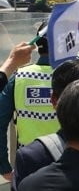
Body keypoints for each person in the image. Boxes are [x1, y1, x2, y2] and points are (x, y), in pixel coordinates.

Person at [0, 35, 55, 180]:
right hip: (68, 161)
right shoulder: (76, 76)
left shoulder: (19, 76)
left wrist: (4, 167)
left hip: (28, 163)